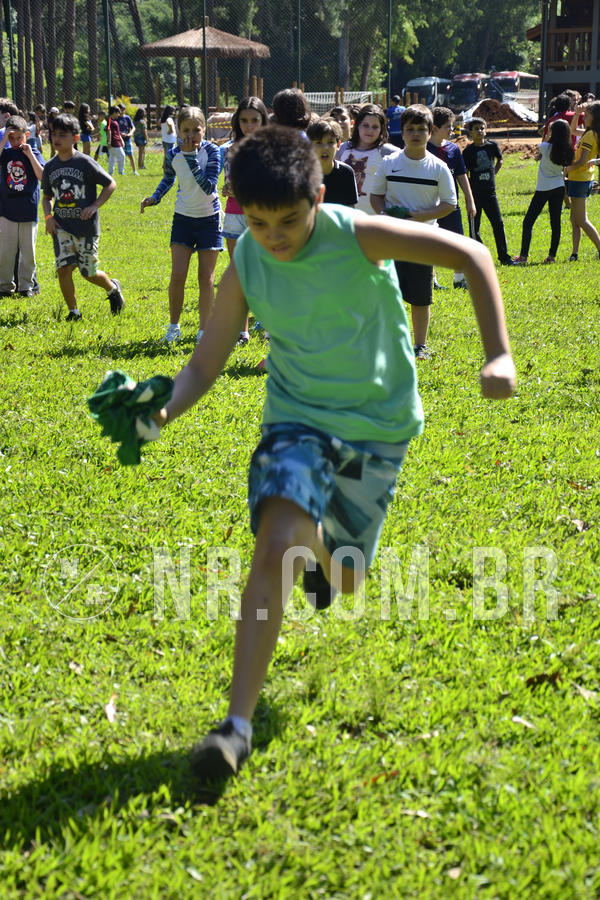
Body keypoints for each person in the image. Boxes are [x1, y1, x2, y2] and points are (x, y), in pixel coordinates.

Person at [142, 125, 515, 783]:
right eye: (258, 222)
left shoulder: (356, 234)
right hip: (298, 421)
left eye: (289, 219)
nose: (276, 236)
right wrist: (163, 409)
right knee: (277, 536)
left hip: (378, 427)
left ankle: (321, 553)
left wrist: (498, 353)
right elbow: (206, 361)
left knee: (344, 579)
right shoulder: (248, 262)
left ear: (320, 193)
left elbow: (472, 259)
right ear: (238, 209)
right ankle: (235, 727)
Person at [370, 104, 456, 359]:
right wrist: (385, 214)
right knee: (389, 294)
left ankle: (419, 346)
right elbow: (376, 196)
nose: (415, 134)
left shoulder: (438, 167)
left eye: (421, 129)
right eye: (410, 129)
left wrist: (421, 217)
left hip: (423, 239)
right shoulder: (389, 162)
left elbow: (449, 204)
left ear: (430, 132)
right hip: (392, 238)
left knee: (421, 297)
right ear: (402, 133)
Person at [141, 106, 222, 344]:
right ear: (178, 131)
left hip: (209, 218)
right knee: (177, 275)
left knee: (205, 278)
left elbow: (208, 186)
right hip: (183, 218)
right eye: (186, 130)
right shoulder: (173, 153)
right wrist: (155, 197)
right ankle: (173, 327)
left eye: (196, 130)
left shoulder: (213, 151)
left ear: (204, 130)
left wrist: (191, 159)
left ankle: (204, 331)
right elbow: (168, 178)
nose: (191, 135)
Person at [41, 113, 124, 321]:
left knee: (88, 272)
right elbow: (47, 197)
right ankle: (73, 312)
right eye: (54, 134)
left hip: (86, 227)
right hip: (61, 226)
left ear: (75, 138)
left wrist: (95, 205)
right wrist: (48, 217)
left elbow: (110, 184)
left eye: (63, 134)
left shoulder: (84, 162)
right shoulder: (50, 167)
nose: (57, 138)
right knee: (64, 269)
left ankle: (112, 288)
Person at [220, 96, 269, 345]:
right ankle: (242, 331)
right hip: (234, 215)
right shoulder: (229, 150)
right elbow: (229, 182)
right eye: (244, 120)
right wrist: (227, 189)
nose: (249, 126)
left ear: (263, 121)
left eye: (254, 120)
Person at [427, 106, 476, 289]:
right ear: (435, 128)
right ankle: (431, 280)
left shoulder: (453, 149)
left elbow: (462, 176)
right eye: (448, 126)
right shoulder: (424, 149)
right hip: (431, 204)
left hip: (451, 204)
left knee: (457, 242)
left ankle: (459, 279)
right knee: (431, 243)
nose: (451, 130)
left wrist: (470, 201)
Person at [513, 119, 574, 264]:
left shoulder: (545, 146)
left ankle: (523, 257)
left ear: (553, 133)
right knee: (555, 223)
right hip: (559, 187)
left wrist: (547, 134)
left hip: (543, 188)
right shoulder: (568, 150)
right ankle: (551, 257)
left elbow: (542, 142)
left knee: (528, 222)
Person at [0, 115, 45, 297]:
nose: (16, 141)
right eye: (12, 138)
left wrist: (30, 155)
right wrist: (4, 140)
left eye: (19, 137)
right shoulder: (6, 154)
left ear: (27, 135)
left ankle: (26, 286)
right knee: (6, 252)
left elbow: (42, 176)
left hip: (28, 210)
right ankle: (5, 287)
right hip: (7, 211)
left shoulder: (34, 152)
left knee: (28, 252)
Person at [462, 117, 514, 266]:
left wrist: (494, 172)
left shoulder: (492, 146)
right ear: (470, 132)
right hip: (474, 195)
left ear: (486, 130)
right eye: (476, 129)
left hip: (491, 194)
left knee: (498, 224)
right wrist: (467, 194)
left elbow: (500, 159)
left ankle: (504, 257)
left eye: (482, 128)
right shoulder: (468, 152)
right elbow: (464, 172)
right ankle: (478, 256)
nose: (480, 131)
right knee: (474, 228)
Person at [335, 103, 396, 214]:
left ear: (382, 129)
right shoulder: (344, 148)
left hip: (375, 218)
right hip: (346, 216)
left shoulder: (387, 151)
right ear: (358, 125)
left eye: (375, 127)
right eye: (365, 125)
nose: (370, 130)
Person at [565, 101, 600, 261]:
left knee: (582, 220)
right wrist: (577, 113)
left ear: (595, 117)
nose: (584, 117)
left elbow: (581, 161)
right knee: (574, 220)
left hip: (580, 180)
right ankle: (574, 253)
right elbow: (572, 130)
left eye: (587, 115)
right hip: (580, 179)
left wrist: (567, 168)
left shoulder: (590, 135)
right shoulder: (589, 132)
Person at [307, 117, 358, 206]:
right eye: (319, 143)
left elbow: (350, 210)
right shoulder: (302, 174)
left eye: (330, 142)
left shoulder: (346, 173)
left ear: (338, 145)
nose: (325, 148)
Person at [117, 103, 138, 174]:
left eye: (123, 110)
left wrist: (130, 133)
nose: (122, 111)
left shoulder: (127, 118)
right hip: (120, 140)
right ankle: (121, 171)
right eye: (121, 110)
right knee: (121, 156)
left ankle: (134, 171)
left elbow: (133, 127)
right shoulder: (116, 119)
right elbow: (114, 129)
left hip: (127, 139)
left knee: (130, 155)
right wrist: (120, 134)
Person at [107, 105, 125, 176]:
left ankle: (110, 172)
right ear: (114, 112)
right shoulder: (109, 120)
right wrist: (109, 142)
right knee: (122, 155)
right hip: (114, 142)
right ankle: (121, 171)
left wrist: (121, 140)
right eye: (118, 113)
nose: (119, 114)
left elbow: (118, 132)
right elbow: (108, 131)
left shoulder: (115, 121)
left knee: (112, 157)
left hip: (117, 141)